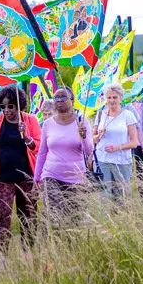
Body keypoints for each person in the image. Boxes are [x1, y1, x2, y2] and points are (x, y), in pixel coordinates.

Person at [0, 85, 41, 255]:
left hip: (26, 177)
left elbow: (37, 148)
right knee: (3, 217)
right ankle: (2, 256)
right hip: (2, 178)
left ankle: (28, 253)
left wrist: (27, 137)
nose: (7, 110)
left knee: (28, 216)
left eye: (11, 106)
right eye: (3, 106)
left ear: (19, 105)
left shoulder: (30, 120)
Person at [34, 87, 93, 226]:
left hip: (76, 178)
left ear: (72, 101)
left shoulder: (82, 121)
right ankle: (50, 244)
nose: (59, 100)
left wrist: (83, 137)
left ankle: (67, 246)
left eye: (63, 97)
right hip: (51, 175)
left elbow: (88, 151)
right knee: (55, 214)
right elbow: (42, 152)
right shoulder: (48, 124)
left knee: (74, 220)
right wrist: (37, 177)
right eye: (56, 98)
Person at [92, 84, 138, 199]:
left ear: (120, 98)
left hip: (121, 161)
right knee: (105, 195)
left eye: (114, 97)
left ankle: (123, 216)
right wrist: (99, 135)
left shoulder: (128, 115)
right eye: (109, 98)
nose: (111, 100)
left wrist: (117, 147)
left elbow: (134, 142)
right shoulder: (100, 114)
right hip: (102, 160)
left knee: (122, 195)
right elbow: (93, 138)